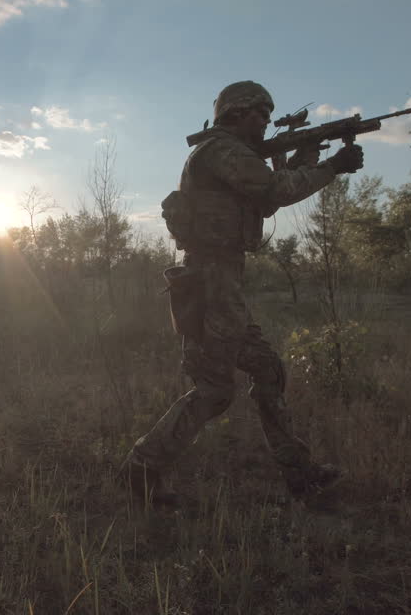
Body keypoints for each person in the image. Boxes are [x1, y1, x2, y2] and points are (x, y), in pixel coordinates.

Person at [121, 80, 365, 506]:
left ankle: (300, 473)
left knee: (267, 370)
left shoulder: (231, 156)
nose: (266, 125)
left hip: (222, 282)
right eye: (261, 116)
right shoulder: (221, 151)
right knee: (215, 390)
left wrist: (308, 152)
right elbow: (275, 191)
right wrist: (332, 167)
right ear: (236, 113)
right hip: (212, 283)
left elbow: (265, 201)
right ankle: (141, 470)